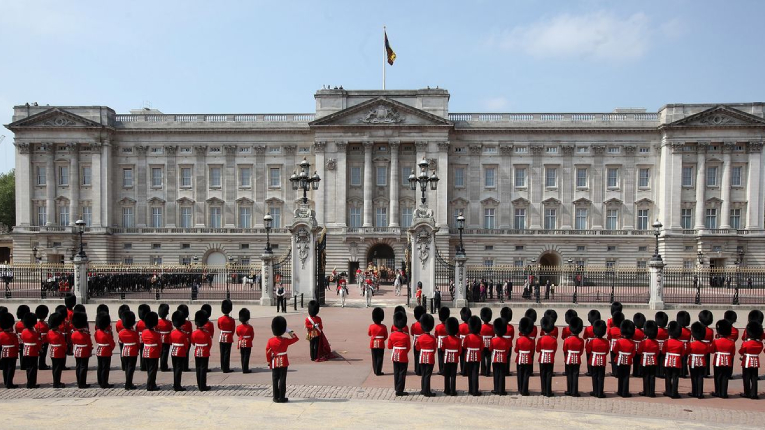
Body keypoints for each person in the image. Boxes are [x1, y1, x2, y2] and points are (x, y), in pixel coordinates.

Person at [266, 316, 299, 403]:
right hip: (283, 361)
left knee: (275, 379)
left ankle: (275, 397)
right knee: (282, 379)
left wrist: (269, 361)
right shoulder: (285, 340)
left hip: (274, 361)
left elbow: (267, 352)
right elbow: (296, 338)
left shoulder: (270, 340)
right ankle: (282, 397)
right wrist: (288, 330)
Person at [711, 318, 735, 398]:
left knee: (717, 376)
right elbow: (732, 353)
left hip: (718, 360)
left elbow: (712, 350)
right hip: (727, 361)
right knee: (725, 377)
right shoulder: (731, 342)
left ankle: (718, 392)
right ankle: (724, 393)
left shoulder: (716, 341)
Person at [388, 311, 411, 396]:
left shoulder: (392, 335)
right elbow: (408, 347)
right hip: (403, 355)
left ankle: (396, 387)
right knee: (402, 372)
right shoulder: (406, 336)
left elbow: (389, 346)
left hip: (395, 355)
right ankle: (399, 390)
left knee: (396, 371)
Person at [739, 321, 763, 400]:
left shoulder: (746, 343)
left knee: (746, 377)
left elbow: (741, 351)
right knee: (754, 377)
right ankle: (754, 393)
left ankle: (747, 392)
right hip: (755, 361)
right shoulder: (760, 344)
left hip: (746, 361)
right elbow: (759, 351)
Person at [663, 321, 685, 399]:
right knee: (675, 377)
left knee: (668, 376)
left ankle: (668, 391)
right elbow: (682, 354)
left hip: (668, 360)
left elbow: (663, 351)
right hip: (677, 362)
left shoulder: (666, 342)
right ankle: (674, 392)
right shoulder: (681, 343)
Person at [416, 314, 437, 397]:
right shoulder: (432, 338)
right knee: (428, 374)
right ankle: (427, 391)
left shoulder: (420, 338)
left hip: (422, 356)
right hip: (430, 357)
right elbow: (434, 349)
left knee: (424, 374)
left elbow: (417, 348)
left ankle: (423, 389)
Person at [614, 320, 636, 397]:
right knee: (626, 376)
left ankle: (620, 391)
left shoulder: (619, 341)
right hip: (628, 361)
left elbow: (615, 350)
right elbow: (633, 354)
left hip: (619, 360)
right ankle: (625, 392)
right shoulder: (632, 343)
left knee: (620, 376)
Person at [563, 316, 584, 397]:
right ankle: (574, 391)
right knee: (575, 375)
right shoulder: (581, 340)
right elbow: (581, 351)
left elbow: (565, 349)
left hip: (568, 358)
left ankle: (569, 390)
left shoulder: (567, 340)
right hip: (577, 359)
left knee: (569, 374)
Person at [191, 310, 212, 392]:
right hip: (205, 351)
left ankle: (199, 384)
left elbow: (193, 342)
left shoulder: (194, 333)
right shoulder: (206, 333)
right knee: (203, 369)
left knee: (198, 368)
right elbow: (209, 344)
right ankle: (203, 386)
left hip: (197, 351)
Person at [537, 316, 558, 397]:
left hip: (542, 358)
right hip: (550, 358)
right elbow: (554, 350)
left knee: (542, 374)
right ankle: (548, 391)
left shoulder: (540, 339)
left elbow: (538, 350)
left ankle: (543, 390)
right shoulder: (553, 339)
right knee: (549, 374)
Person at [587, 320, 609, 398]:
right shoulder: (606, 342)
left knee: (594, 376)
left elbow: (588, 351)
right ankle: (600, 392)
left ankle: (595, 391)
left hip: (593, 360)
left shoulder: (592, 341)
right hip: (602, 360)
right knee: (601, 377)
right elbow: (606, 352)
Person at [71, 311, 92, 389]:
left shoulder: (73, 333)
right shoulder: (85, 334)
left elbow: (73, 342)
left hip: (77, 350)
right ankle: (82, 383)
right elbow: (89, 344)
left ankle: (79, 382)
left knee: (78, 366)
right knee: (83, 367)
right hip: (84, 351)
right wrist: (90, 350)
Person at [490, 318, 511, 395]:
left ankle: (496, 389)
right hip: (503, 358)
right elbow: (507, 350)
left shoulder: (493, 340)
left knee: (496, 374)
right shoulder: (506, 341)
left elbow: (490, 348)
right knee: (502, 374)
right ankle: (501, 390)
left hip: (495, 358)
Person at [639, 320, 660, 397]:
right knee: (652, 376)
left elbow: (639, 351)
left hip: (644, 360)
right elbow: (657, 353)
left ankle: (646, 391)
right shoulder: (656, 343)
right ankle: (651, 392)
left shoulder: (643, 342)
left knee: (646, 376)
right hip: (653, 361)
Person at [441, 317, 461, 396]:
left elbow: (442, 349)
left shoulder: (445, 339)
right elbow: (460, 351)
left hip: (446, 358)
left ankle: (446, 389)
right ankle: (453, 390)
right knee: (453, 375)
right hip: (455, 358)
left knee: (447, 375)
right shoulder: (459, 340)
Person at [119, 311, 139, 390]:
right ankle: (128, 383)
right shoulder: (134, 333)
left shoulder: (121, 333)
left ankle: (128, 381)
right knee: (131, 368)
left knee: (127, 368)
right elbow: (137, 342)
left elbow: (120, 341)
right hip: (133, 350)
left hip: (125, 350)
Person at [94, 312, 115, 389]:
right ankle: (104, 383)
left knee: (100, 367)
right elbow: (112, 344)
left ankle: (100, 381)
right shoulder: (106, 334)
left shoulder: (97, 332)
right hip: (106, 351)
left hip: (99, 350)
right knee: (105, 368)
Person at [169, 311, 189, 391]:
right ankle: (177, 385)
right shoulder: (183, 334)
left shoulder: (172, 333)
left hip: (173, 351)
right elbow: (186, 345)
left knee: (175, 369)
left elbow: (170, 342)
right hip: (180, 352)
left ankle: (175, 384)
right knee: (178, 369)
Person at [688, 322, 708, 399]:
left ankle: (694, 392)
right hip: (702, 362)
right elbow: (706, 352)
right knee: (700, 377)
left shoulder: (691, 344)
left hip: (693, 361)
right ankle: (700, 393)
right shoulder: (705, 345)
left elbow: (687, 351)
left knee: (693, 377)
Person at [515, 317, 535, 396]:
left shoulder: (518, 340)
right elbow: (532, 351)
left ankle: (520, 389)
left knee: (520, 374)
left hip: (519, 358)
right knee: (526, 375)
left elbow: (516, 350)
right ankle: (524, 390)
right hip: (528, 359)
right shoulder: (531, 341)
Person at [142, 311, 161, 391]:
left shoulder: (144, 332)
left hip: (146, 351)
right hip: (153, 352)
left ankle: (152, 383)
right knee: (153, 370)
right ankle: (150, 385)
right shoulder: (157, 334)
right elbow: (159, 344)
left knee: (149, 370)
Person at [464, 315, 483, 396]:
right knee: (475, 373)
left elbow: (464, 346)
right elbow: (482, 348)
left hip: (468, 356)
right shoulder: (480, 338)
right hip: (477, 356)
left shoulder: (467, 337)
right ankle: (475, 390)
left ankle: (470, 389)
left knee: (470, 373)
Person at [47, 312, 66, 388]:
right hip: (59, 351)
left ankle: (56, 381)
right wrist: (65, 349)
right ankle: (57, 383)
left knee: (55, 367)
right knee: (58, 368)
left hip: (52, 350)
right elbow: (63, 344)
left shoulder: (49, 332)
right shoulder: (58, 334)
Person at [0, 311, 18, 388]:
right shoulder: (13, 335)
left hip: (4, 352)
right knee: (11, 368)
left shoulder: (0, 334)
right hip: (12, 353)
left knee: (5, 368)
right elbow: (16, 345)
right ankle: (9, 383)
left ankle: (5, 382)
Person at [368, 307, 388, 376]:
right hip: (381, 343)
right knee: (380, 357)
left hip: (373, 343)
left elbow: (369, 334)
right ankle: (378, 371)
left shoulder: (371, 326)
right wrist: (381, 339)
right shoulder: (384, 327)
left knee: (374, 357)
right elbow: (386, 336)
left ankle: (375, 370)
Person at [218, 299, 235, 373]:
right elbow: (233, 330)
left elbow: (219, 326)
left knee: (222, 352)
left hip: (222, 336)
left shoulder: (220, 319)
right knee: (227, 353)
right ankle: (226, 368)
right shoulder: (231, 320)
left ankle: (222, 366)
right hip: (228, 337)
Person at [236, 308, 254, 374]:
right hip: (248, 342)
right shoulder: (250, 327)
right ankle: (245, 368)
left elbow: (238, 334)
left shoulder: (238, 327)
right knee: (247, 355)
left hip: (241, 342)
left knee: (242, 355)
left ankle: (243, 367)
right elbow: (252, 335)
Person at [583, 310, 600, 377]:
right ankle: (596, 370)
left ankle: (590, 371)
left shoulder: (588, 328)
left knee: (589, 357)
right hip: (598, 342)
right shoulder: (598, 327)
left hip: (589, 343)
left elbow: (584, 337)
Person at [156, 304, 173, 373]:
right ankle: (164, 366)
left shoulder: (157, 322)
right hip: (166, 339)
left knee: (161, 352)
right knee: (165, 353)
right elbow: (170, 330)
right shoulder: (168, 322)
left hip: (159, 338)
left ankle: (161, 365)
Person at [607, 311, 624, 377]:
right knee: (620, 358)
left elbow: (609, 337)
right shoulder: (622, 329)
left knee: (613, 359)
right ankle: (619, 371)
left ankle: (614, 372)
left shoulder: (612, 329)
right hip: (621, 345)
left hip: (613, 345)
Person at [676, 311, 692, 378]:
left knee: (680, 359)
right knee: (685, 359)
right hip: (686, 345)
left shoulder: (679, 330)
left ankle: (679, 372)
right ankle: (684, 372)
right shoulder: (688, 331)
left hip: (680, 345)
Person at [435, 307, 450, 376]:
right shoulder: (448, 326)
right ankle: (447, 369)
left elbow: (436, 335)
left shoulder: (438, 327)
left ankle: (441, 370)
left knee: (440, 357)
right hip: (447, 343)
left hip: (440, 343)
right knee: (446, 356)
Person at [34, 305, 50, 371]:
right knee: (43, 354)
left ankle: (41, 364)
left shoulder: (36, 323)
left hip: (38, 340)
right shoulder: (45, 324)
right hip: (44, 340)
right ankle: (42, 365)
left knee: (40, 353)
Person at [411, 306, 425, 376]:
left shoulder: (414, 325)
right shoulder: (424, 324)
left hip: (416, 342)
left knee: (416, 356)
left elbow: (412, 333)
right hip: (423, 342)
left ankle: (417, 369)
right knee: (422, 355)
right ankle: (421, 369)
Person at [499, 307, 514, 375]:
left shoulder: (501, 325)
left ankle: (501, 370)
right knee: (507, 358)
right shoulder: (511, 327)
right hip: (508, 343)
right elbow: (512, 336)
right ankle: (506, 371)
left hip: (501, 343)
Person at [479, 307, 494, 377]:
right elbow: (493, 335)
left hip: (482, 343)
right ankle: (488, 371)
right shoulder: (492, 327)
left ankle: (483, 370)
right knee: (488, 357)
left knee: (482, 357)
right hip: (490, 343)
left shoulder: (481, 327)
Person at [136, 304, 150, 372]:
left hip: (140, 339)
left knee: (142, 352)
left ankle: (142, 365)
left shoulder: (139, 323)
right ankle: (145, 366)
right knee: (146, 353)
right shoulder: (147, 322)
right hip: (146, 338)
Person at [631, 313, 646, 378]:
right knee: (640, 360)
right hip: (641, 346)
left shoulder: (634, 331)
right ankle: (640, 372)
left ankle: (635, 372)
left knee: (635, 361)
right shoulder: (644, 331)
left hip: (635, 346)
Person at [655, 311, 669, 378]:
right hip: (664, 346)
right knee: (662, 360)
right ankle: (662, 372)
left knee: (657, 359)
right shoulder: (666, 331)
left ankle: (657, 372)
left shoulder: (657, 330)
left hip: (657, 346)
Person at [15, 305, 29, 371]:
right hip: (26, 339)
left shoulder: (17, 324)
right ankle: (24, 365)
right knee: (25, 352)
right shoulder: (26, 323)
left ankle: (22, 364)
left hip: (20, 339)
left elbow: (16, 331)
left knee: (21, 353)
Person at [458, 307, 471, 376]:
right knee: (467, 357)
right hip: (469, 342)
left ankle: (463, 370)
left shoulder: (460, 326)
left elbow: (457, 334)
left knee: (462, 357)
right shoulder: (470, 325)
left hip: (462, 342)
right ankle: (467, 370)